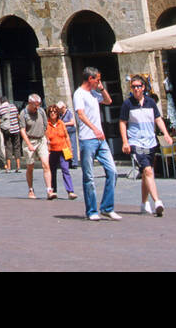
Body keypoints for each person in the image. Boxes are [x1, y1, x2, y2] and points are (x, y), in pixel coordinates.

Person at [73, 67, 120, 221]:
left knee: (112, 171)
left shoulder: (94, 93)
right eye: (97, 80)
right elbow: (81, 114)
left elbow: (108, 101)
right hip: (87, 140)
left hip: (100, 139)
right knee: (89, 177)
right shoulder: (79, 94)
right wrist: (94, 129)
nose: (99, 82)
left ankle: (107, 207)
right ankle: (92, 211)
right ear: (90, 79)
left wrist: (102, 89)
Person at [119, 74, 167, 217]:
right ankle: (157, 201)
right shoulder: (127, 104)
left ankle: (144, 203)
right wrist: (125, 141)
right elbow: (122, 122)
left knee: (147, 173)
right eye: (133, 87)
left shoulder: (150, 103)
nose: (136, 89)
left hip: (150, 142)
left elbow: (158, 119)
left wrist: (166, 134)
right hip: (136, 142)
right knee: (147, 170)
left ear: (143, 87)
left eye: (138, 86)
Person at [19, 93, 53, 200]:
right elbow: (22, 130)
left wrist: (48, 142)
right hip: (30, 140)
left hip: (41, 139)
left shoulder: (41, 111)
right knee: (30, 166)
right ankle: (30, 189)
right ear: (30, 103)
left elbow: (46, 127)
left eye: (39, 105)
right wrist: (29, 144)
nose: (37, 108)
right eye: (35, 105)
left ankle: (49, 190)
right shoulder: (23, 114)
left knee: (46, 164)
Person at [45, 103, 77, 199]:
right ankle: (53, 191)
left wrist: (70, 149)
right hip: (53, 151)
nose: (53, 113)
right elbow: (46, 138)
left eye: (55, 111)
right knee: (52, 171)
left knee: (65, 169)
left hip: (63, 149)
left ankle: (70, 191)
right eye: (51, 112)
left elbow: (67, 137)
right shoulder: (47, 125)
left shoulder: (61, 123)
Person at [0, 97, 22, 172]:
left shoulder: (0, 109)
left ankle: (8, 167)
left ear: (1, 101)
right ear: (7, 101)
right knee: (17, 147)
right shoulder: (13, 106)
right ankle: (18, 166)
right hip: (16, 129)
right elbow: (18, 117)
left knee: (8, 147)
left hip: (7, 130)